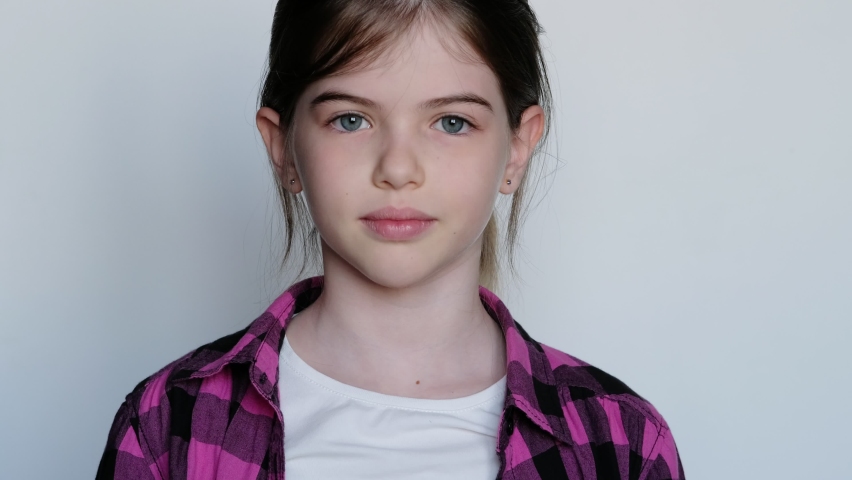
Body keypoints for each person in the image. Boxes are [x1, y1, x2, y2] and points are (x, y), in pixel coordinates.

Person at [97, 1, 684, 479]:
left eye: (452, 122)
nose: (398, 169)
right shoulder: (167, 425)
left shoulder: (622, 441)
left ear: (518, 147)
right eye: (350, 119)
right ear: (284, 148)